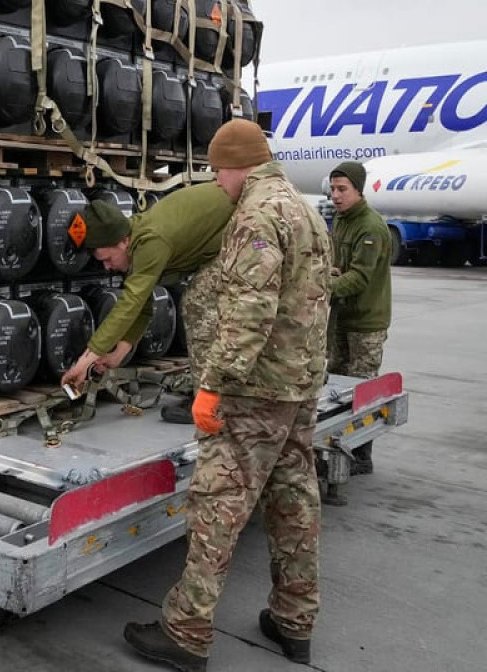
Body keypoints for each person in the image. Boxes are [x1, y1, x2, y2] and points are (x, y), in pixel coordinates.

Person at [122, 119, 333, 670]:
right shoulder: (306, 209)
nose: (217, 183)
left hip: (255, 391)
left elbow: (248, 314)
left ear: (238, 165)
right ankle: (295, 620)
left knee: (219, 506)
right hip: (299, 385)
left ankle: (186, 632)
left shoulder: (257, 215)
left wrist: (213, 385)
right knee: (294, 500)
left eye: (218, 171)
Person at [60, 184, 235, 422]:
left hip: (242, 230)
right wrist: (117, 355)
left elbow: (131, 303)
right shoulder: (136, 241)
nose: (107, 267)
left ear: (123, 242)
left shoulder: (151, 241)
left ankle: (212, 402)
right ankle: (212, 392)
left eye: (107, 259)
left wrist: (85, 360)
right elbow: (141, 305)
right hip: (225, 237)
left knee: (199, 303)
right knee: (199, 299)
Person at [326, 161, 392, 486]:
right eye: (333, 188)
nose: (335, 196)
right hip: (342, 317)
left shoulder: (371, 227)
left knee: (362, 389)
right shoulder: (341, 220)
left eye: (342, 189)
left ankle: (362, 456)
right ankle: (339, 447)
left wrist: (322, 286)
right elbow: (341, 266)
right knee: (336, 388)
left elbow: (361, 277)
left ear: (358, 190)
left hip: (366, 322)